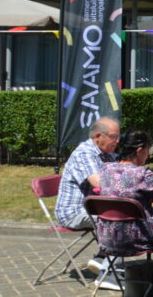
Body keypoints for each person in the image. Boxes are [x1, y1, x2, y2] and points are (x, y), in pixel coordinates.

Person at [55, 118, 120, 285]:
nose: (117, 141)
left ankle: (102, 259)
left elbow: (120, 173)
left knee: (125, 216)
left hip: (94, 209)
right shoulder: (85, 153)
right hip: (73, 212)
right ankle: (109, 275)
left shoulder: (107, 153)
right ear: (99, 136)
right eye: (114, 137)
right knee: (120, 223)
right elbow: (98, 183)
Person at [97, 130, 153, 255]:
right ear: (139, 151)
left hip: (108, 239)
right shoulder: (141, 174)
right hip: (138, 239)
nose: (147, 155)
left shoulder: (106, 169)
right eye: (147, 151)